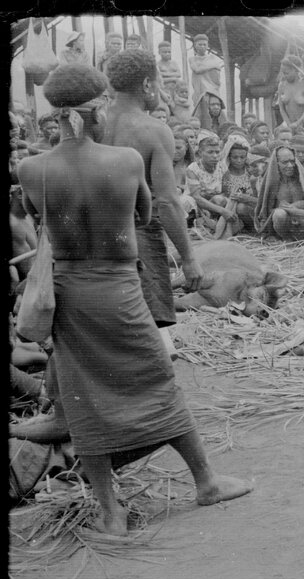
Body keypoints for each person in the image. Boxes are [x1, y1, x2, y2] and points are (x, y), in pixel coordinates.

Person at [16, 64, 251, 535]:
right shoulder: (123, 160)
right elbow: (146, 211)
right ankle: (205, 481)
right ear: (97, 107)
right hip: (119, 290)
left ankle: (110, 511)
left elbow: (35, 214)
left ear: (55, 116)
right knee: (156, 379)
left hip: (70, 295)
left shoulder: (31, 168)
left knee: (84, 399)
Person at [104, 49, 203, 329]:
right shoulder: (154, 130)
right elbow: (169, 202)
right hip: (137, 236)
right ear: (147, 84)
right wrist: (189, 258)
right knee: (149, 331)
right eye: (158, 83)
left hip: (89, 236)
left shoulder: (93, 122)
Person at [254, 144, 304, 241]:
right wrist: (286, 210)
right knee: (279, 214)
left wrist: (298, 206)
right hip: (284, 223)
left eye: (292, 161)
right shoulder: (272, 183)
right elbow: (266, 212)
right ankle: (287, 239)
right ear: (277, 163)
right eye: (285, 162)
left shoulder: (303, 178)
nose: (290, 166)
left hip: (303, 219)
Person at [213, 136, 258, 238]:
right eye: (235, 157)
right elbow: (225, 192)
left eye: (242, 157)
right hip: (230, 207)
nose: (239, 160)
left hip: (248, 207)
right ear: (229, 157)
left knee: (241, 207)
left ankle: (250, 228)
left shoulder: (250, 171)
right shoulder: (225, 173)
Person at [186, 135, 229, 228]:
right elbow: (197, 197)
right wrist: (222, 210)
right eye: (210, 152)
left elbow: (227, 191)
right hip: (200, 206)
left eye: (217, 152)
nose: (215, 156)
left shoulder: (222, 167)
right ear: (201, 153)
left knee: (220, 199)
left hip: (218, 203)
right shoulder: (193, 169)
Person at [189, 34, 224, 127]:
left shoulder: (212, 58)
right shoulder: (192, 59)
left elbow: (218, 69)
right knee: (200, 113)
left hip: (212, 90)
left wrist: (204, 67)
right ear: (195, 45)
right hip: (200, 91)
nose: (202, 47)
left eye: (204, 44)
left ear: (207, 45)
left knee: (216, 110)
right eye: (200, 44)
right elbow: (196, 69)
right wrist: (212, 66)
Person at [276, 55, 304, 132]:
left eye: (287, 73)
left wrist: (298, 123)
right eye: (283, 73)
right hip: (289, 125)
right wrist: (289, 124)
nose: (284, 76)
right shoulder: (282, 85)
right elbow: (281, 108)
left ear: (296, 70)